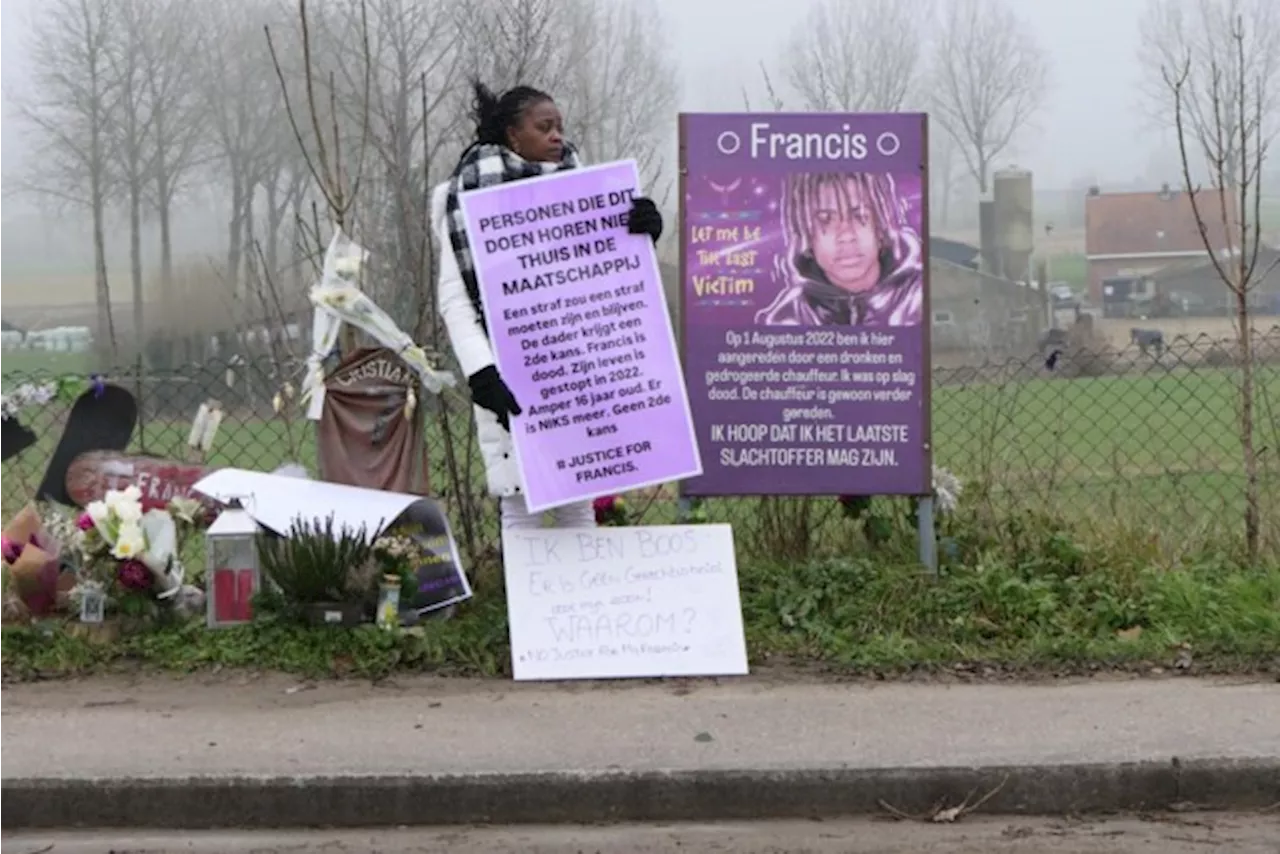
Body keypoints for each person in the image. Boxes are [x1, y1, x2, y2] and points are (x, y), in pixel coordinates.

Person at [431, 81, 663, 531]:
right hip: (508, 369)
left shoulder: (585, 189)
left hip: (578, 371)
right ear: (513, 135)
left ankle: (584, 600)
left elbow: (611, 278)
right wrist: (481, 372)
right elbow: (454, 297)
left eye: (560, 126)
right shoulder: (462, 195)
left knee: (578, 494)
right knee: (520, 498)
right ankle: (531, 601)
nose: (558, 135)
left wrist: (640, 232)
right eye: (545, 127)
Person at [755, 172, 923, 327]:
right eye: (825, 220)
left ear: (881, 225)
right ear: (805, 233)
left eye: (860, 216)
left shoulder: (921, 299)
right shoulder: (785, 321)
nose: (846, 235)